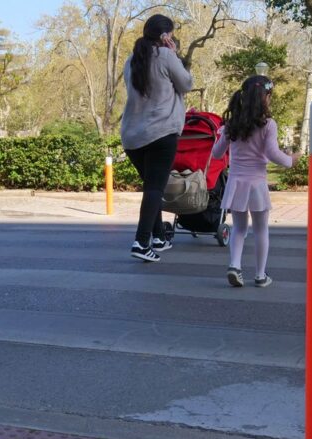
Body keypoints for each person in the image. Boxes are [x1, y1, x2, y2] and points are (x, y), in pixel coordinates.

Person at [211, 75, 301, 287]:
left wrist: (221, 134)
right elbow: (271, 153)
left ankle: (235, 265)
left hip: (236, 183)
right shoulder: (268, 124)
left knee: (239, 229)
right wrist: (290, 160)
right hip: (257, 184)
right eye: (269, 96)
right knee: (261, 230)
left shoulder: (231, 124)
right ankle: (260, 275)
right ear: (265, 97)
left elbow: (216, 154)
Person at [121, 14, 193, 262]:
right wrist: (175, 55)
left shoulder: (131, 60)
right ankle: (141, 243)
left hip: (132, 136)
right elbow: (186, 84)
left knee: (152, 187)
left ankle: (159, 237)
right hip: (161, 132)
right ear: (165, 36)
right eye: (170, 35)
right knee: (154, 188)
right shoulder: (165, 55)